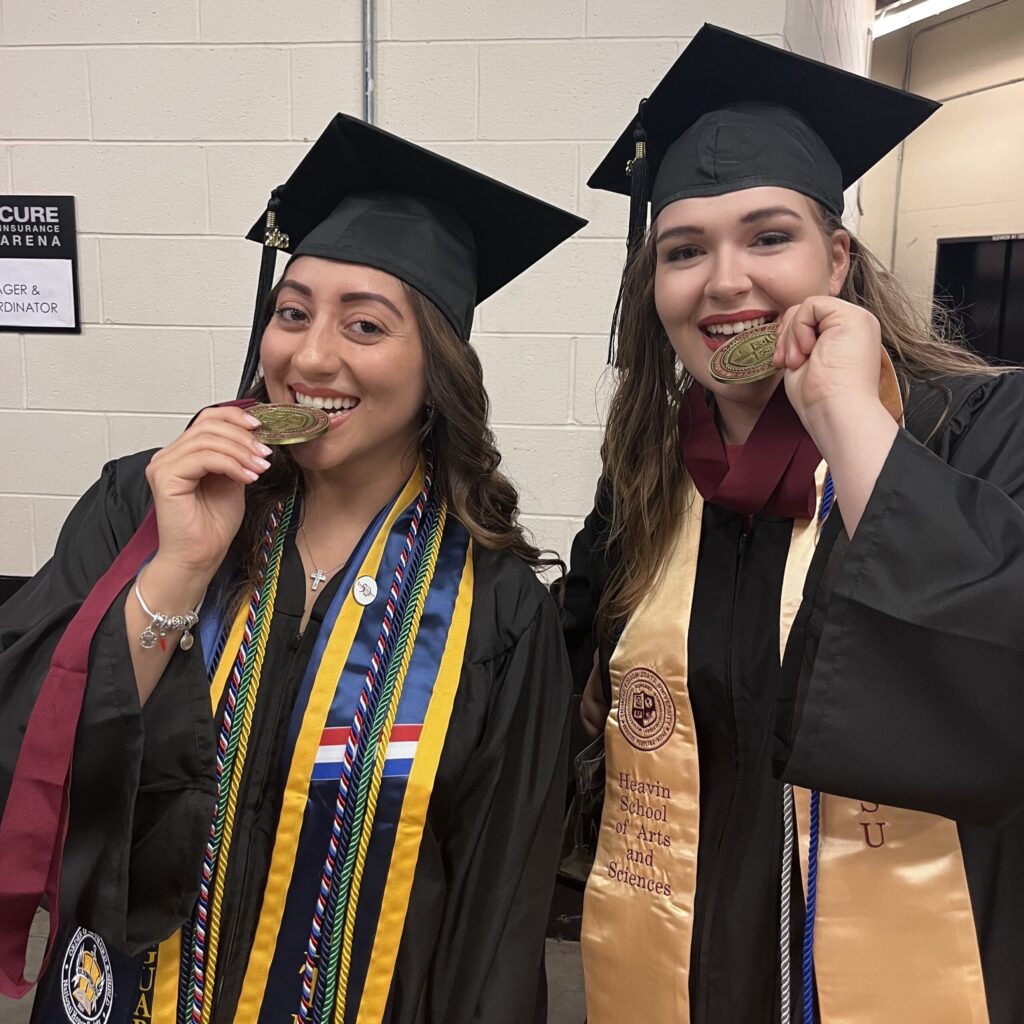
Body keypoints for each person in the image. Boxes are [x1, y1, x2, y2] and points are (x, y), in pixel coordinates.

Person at [0, 113, 585, 1024]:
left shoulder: (498, 610)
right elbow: (29, 758)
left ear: (437, 367)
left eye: (364, 324)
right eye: (292, 312)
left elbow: (499, 915)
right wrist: (178, 569)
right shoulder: (139, 508)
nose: (310, 357)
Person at [558, 25, 1024, 1024]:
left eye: (768, 237)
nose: (725, 283)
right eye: (684, 251)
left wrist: (850, 422)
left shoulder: (982, 428)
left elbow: (1000, 675)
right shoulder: (646, 476)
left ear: (838, 256)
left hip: (920, 964)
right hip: (691, 964)